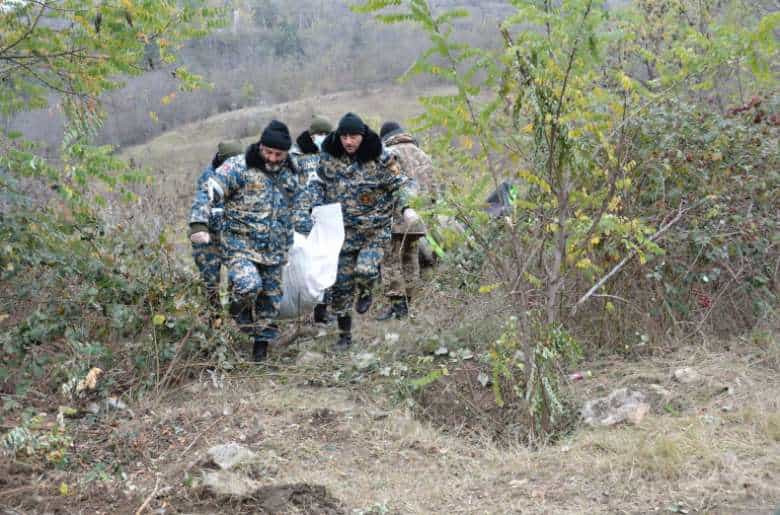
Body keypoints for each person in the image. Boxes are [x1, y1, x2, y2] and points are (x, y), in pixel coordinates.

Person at [189, 120, 310, 362]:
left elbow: (301, 202)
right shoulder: (239, 166)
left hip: (275, 249)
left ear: (286, 152)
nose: (272, 158)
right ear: (260, 146)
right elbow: (210, 190)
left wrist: (306, 229)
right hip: (239, 245)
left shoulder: (293, 172)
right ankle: (237, 307)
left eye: (278, 154)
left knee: (271, 301)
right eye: (268, 152)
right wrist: (198, 223)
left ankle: (260, 352)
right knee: (248, 285)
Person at [310, 113, 419, 349]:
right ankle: (344, 336)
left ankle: (366, 289)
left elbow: (400, 184)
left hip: (374, 230)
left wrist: (407, 208)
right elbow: (317, 183)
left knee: (366, 270)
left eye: (353, 137)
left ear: (362, 135)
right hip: (342, 232)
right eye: (344, 137)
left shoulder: (380, 156)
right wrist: (315, 207)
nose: (348, 142)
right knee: (340, 285)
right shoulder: (329, 157)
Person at [376, 122, 435, 320]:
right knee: (410, 258)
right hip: (418, 217)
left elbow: (385, 186)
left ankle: (397, 305)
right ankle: (408, 303)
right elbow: (434, 191)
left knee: (390, 259)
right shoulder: (423, 155)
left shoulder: (389, 154)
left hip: (395, 216)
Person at [189, 141, 243, 314]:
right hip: (210, 237)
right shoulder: (209, 176)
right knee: (210, 280)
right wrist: (198, 225)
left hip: (235, 235)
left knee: (241, 278)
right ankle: (215, 317)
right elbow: (202, 200)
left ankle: (238, 314)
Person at [292, 116, 337, 324]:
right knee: (302, 264)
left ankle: (322, 311)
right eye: (320, 134)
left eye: (327, 135)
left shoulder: (330, 156)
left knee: (325, 261)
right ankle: (297, 306)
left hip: (323, 217)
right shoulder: (293, 157)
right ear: (312, 136)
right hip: (299, 219)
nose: (323, 138)